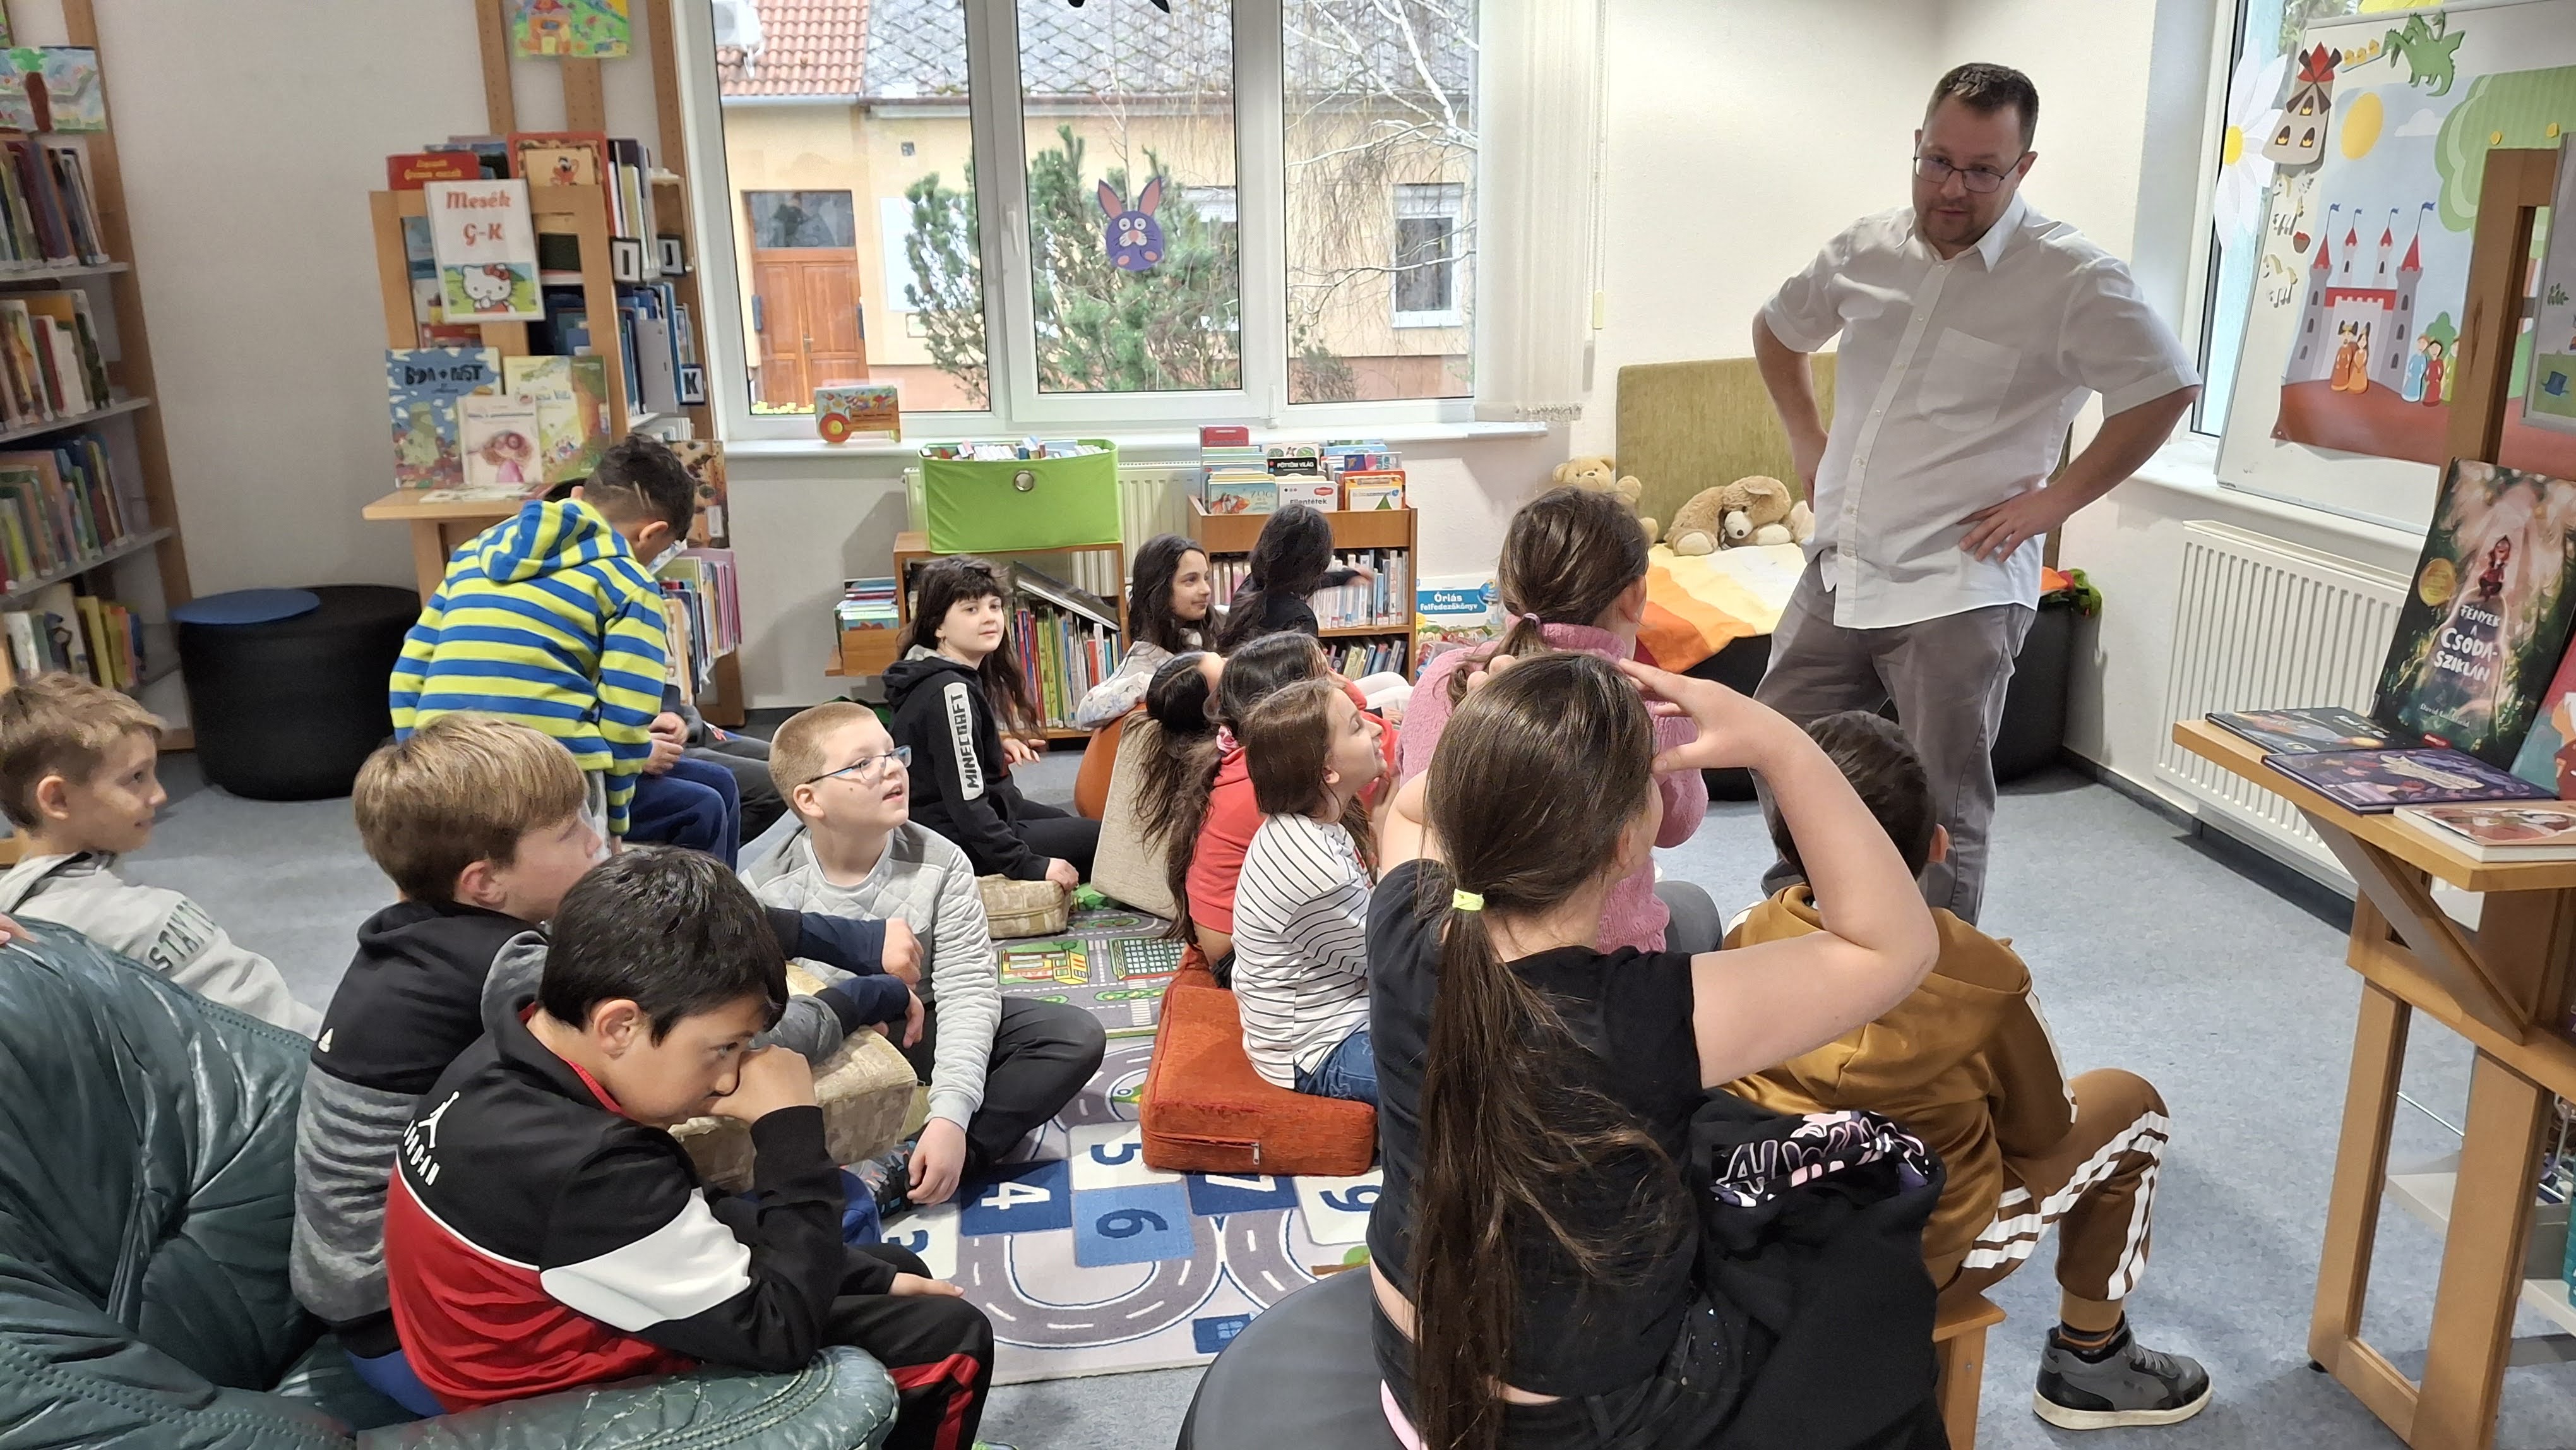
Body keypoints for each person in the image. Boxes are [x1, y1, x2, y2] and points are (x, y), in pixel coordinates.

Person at [1368, 652, 1938, 1449]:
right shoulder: (1644, 1013)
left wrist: (1502, 748)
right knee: (1858, 1274)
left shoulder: (1404, 921)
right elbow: (1896, 944)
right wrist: (1781, 744)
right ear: (1628, 844)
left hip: (1408, 1360)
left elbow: (1410, 809)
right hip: (1570, 1423)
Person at [293, 713, 918, 1416]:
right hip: (415, 1316)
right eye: (569, 831)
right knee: (838, 1213)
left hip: (371, 1272)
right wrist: (857, 1000)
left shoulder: (412, 941)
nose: (598, 842)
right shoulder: (510, 970)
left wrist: (852, 942)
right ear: (485, 882)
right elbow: (739, 1037)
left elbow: (680, 935)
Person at [1751, 62, 2199, 925]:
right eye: (1937, 162)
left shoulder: (2073, 278)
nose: (1952, 188)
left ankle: (1932, 974)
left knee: (1943, 806)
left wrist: (2056, 502)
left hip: (1958, 584)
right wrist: (1807, 436)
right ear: (1917, 145)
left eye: (1982, 170)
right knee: (1780, 746)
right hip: (1844, 565)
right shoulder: (1866, 248)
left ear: (2023, 167)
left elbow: (2165, 388)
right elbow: (1778, 331)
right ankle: (1801, 921)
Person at [380, 848, 997, 1448]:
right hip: (560, 1408)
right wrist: (789, 1128)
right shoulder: (590, 1167)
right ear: (620, 1025)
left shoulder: (509, 1050)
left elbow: (673, 1214)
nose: (730, 1079)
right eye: (723, 1048)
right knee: (949, 1337)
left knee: (892, 1270)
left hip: (517, 1343)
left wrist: (866, 1274)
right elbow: (780, 1335)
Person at [1726, 711, 2205, 1430]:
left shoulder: (1745, 932)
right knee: (2136, 1108)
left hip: (1762, 1233)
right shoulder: (1989, 976)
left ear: (1787, 842)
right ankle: (2092, 1361)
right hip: (1926, 1254)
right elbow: (2045, 1131)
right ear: (1938, 846)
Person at [746, 701, 1107, 1218]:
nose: (892, 769)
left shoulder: (941, 860)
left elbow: (968, 991)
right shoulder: (764, 887)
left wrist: (952, 1121)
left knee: (1071, 1036)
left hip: (919, 1022)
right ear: (810, 799)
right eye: (863, 764)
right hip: (829, 1035)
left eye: (893, 754)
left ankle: (907, 1164)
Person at [1397, 485, 1718, 953]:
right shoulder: (1653, 701)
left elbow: (1413, 804)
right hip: (1611, 959)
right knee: (1698, 907)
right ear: (1636, 596)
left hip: (1462, 951)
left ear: (1506, 587)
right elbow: (1678, 826)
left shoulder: (1449, 677)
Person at [388, 433, 705, 849]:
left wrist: (417, 763)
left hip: (450, 766)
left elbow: (409, 673)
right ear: (652, 534)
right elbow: (626, 717)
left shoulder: (472, 554)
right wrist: (615, 819)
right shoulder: (628, 584)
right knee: (580, 882)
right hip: (552, 774)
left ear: (577, 495)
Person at [0, 673, 319, 1034]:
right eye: (136, 778)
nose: (159, 795)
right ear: (58, 800)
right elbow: (271, 1031)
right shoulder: (143, 918)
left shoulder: (16, 902)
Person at [887, 555, 1098, 886]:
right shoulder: (951, 691)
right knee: (1101, 841)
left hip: (958, 821)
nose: (989, 618)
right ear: (938, 626)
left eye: (994, 606)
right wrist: (1028, 865)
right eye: (971, 609)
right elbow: (968, 805)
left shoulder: (934, 672)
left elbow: (942, 754)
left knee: (1064, 819)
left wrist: (991, 747)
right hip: (956, 841)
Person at [1230, 680, 1384, 1104]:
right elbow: (1391, 960)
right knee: (1470, 1076)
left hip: (1345, 1011)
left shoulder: (1317, 825)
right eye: (1356, 727)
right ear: (1327, 770)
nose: (1376, 729)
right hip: (1318, 1048)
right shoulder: (1315, 868)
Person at [1070, 532, 1213, 729]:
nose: (1206, 589)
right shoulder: (1145, 656)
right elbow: (1086, 711)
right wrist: (1155, 684)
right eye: (1191, 580)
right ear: (1160, 589)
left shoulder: (1200, 633)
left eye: (1206, 578)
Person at [1210, 504, 1373, 651]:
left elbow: (1292, 579)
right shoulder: (1300, 620)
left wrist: (1347, 577)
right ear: (1318, 562)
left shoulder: (1252, 583)